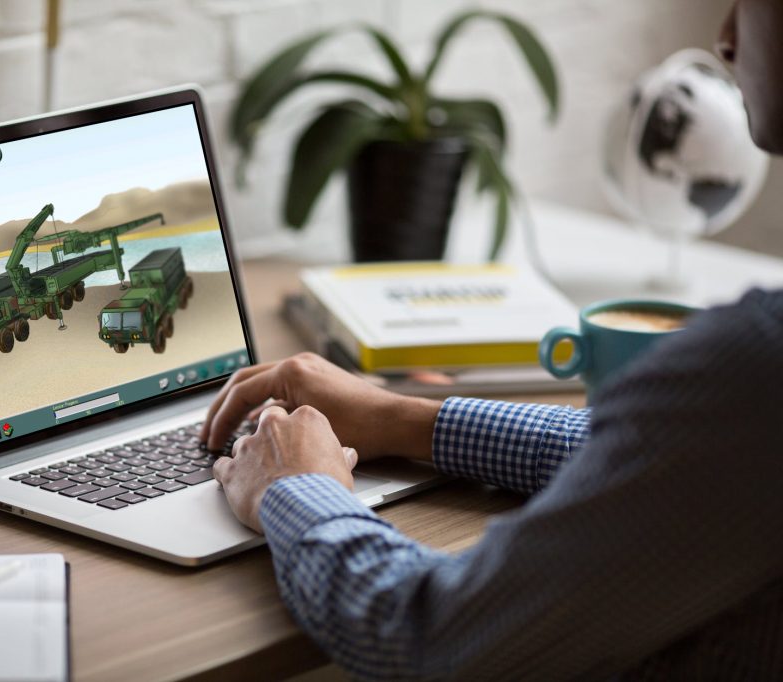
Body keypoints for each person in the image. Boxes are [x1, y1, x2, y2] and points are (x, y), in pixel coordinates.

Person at [202, 2, 783, 679]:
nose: (726, 38)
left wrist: (295, 488)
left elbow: (429, 639)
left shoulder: (755, 364)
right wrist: (405, 418)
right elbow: (681, 457)